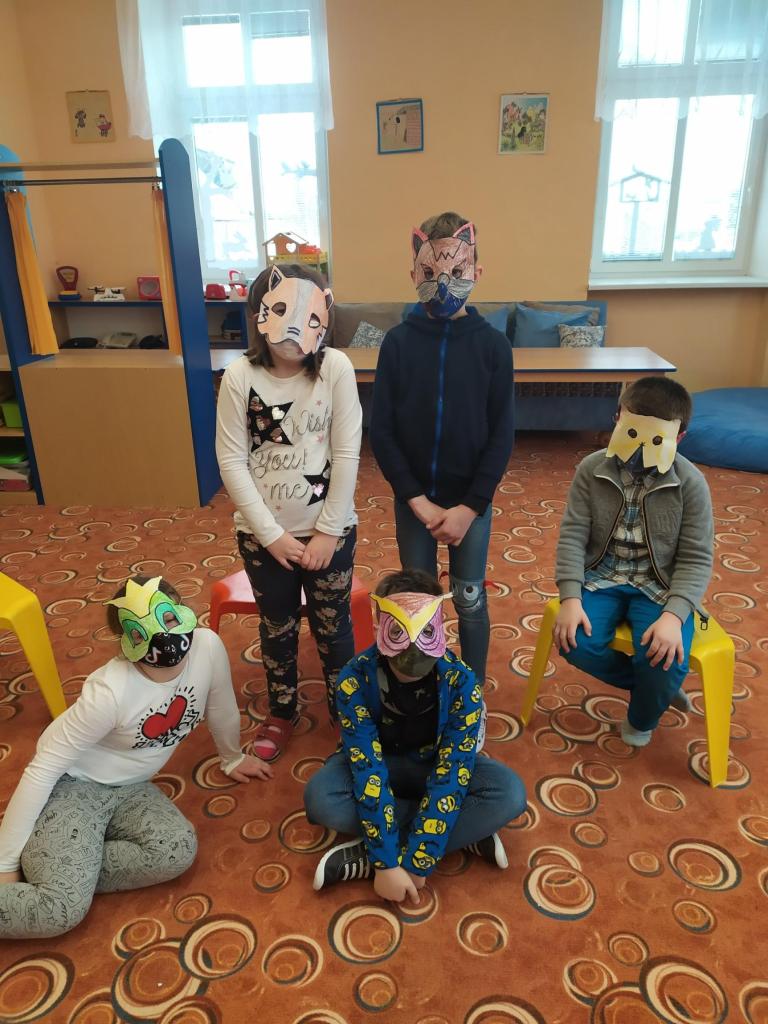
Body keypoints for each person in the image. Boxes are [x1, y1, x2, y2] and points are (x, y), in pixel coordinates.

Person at [0, 575, 271, 939]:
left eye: (169, 618)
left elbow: (220, 706)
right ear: (126, 641)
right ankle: (58, 875)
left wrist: (232, 758)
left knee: (176, 850)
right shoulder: (109, 693)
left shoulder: (206, 646)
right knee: (57, 910)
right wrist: (5, 864)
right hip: (73, 787)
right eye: (142, 632)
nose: (163, 636)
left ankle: (66, 867)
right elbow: (43, 768)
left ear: (184, 612)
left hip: (132, 788)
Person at [304, 569, 526, 900]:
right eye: (398, 633)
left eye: (425, 633)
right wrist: (388, 864)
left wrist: (417, 865)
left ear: (440, 628)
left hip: (435, 766)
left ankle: (370, 853)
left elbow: (453, 771)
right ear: (380, 629)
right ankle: (457, 835)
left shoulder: (462, 682)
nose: (412, 650)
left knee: (508, 793)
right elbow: (368, 770)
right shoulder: (354, 679)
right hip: (380, 766)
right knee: (321, 798)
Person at [216, 264, 362, 761]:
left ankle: (347, 714)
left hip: (330, 534)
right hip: (265, 540)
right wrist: (271, 534)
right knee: (276, 628)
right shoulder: (240, 376)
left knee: (334, 629)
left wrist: (329, 531)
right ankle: (281, 711)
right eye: (282, 311)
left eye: (311, 315)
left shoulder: (335, 368)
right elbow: (231, 460)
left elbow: (347, 452)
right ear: (260, 314)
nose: (297, 328)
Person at [369, 212, 514, 684]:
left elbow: (502, 434)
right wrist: (416, 499)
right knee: (418, 600)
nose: (443, 283)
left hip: (471, 505)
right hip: (415, 502)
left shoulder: (494, 347)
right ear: (413, 273)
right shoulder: (397, 344)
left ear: (477, 271)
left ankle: (471, 692)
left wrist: (471, 507)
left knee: (470, 599)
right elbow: (382, 430)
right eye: (430, 272)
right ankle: (421, 689)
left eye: (456, 270)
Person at [554, 377, 713, 747]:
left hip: (658, 588)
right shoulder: (592, 469)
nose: (641, 446)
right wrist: (571, 597)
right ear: (616, 419)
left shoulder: (691, 484)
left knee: (665, 657)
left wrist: (674, 616)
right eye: (630, 430)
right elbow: (573, 535)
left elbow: (696, 557)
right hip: (603, 577)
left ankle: (644, 712)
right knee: (573, 642)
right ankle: (655, 689)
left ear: (679, 438)